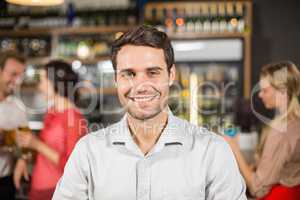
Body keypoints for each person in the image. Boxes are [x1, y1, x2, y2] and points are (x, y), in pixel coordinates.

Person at [52, 25, 246, 200]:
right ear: (116, 80)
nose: (141, 86)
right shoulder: (88, 152)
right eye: (129, 74)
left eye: (153, 73)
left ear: (171, 75)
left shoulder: (212, 151)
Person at [224, 61, 300, 199]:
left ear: (282, 91)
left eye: (265, 90)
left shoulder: (280, 131)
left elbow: (257, 188)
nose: (260, 95)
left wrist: (233, 147)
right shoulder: (295, 122)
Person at [14, 60, 87, 200]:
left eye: (42, 80)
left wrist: (36, 144)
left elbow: (71, 167)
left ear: (56, 83)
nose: (39, 86)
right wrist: (24, 158)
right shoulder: (52, 111)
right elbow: (45, 148)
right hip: (38, 188)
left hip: (55, 191)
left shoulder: (74, 118)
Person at [0, 51, 27, 200]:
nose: (17, 81)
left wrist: (23, 160)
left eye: (20, 76)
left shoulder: (18, 108)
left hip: (5, 183)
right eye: (13, 74)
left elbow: (26, 144)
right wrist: (12, 137)